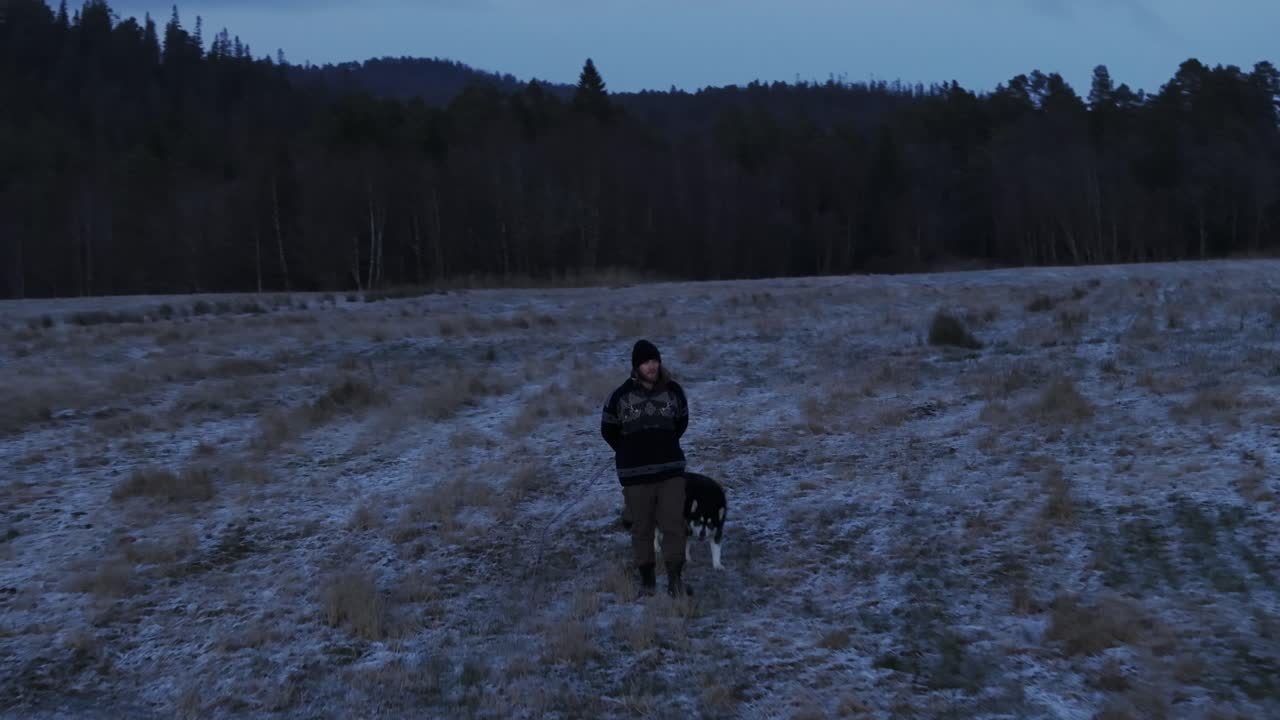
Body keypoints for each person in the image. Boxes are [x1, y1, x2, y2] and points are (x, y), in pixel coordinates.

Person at [601, 339, 691, 597]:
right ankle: (648, 581)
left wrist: (662, 444)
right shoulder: (619, 396)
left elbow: (681, 422)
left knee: (674, 525)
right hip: (635, 475)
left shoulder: (674, 391)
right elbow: (608, 430)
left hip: (670, 471)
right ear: (636, 366)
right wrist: (630, 451)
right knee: (641, 528)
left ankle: (675, 580)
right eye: (645, 362)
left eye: (654, 361)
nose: (651, 366)